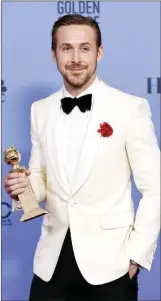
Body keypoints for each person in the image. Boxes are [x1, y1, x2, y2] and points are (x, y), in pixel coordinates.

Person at [4, 14, 160, 301]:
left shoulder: (129, 108)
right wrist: (22, 189)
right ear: (54, 54)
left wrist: (137, 255)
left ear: (99, 52)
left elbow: (155, 188)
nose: (76, 58)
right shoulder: (41, 110)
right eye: (66, 48)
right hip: (50, 265)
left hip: (111, 266)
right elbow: (40, 178)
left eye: (85, 48)